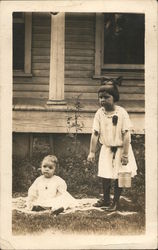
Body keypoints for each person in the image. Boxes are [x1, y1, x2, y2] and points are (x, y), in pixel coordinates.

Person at [87, 77, 137, 211]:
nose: (102, 100)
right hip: (107, 148)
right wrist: (92, 152)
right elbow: (95, 133)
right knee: (105, 174)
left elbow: (126, 135)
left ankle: (116, 201)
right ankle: (106, 199)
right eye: (100, 97)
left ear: (114, 98)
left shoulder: (121, 113)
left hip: (121, 149)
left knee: (120, 175)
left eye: (106, 97)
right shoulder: (99, 113)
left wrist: (125, 154)